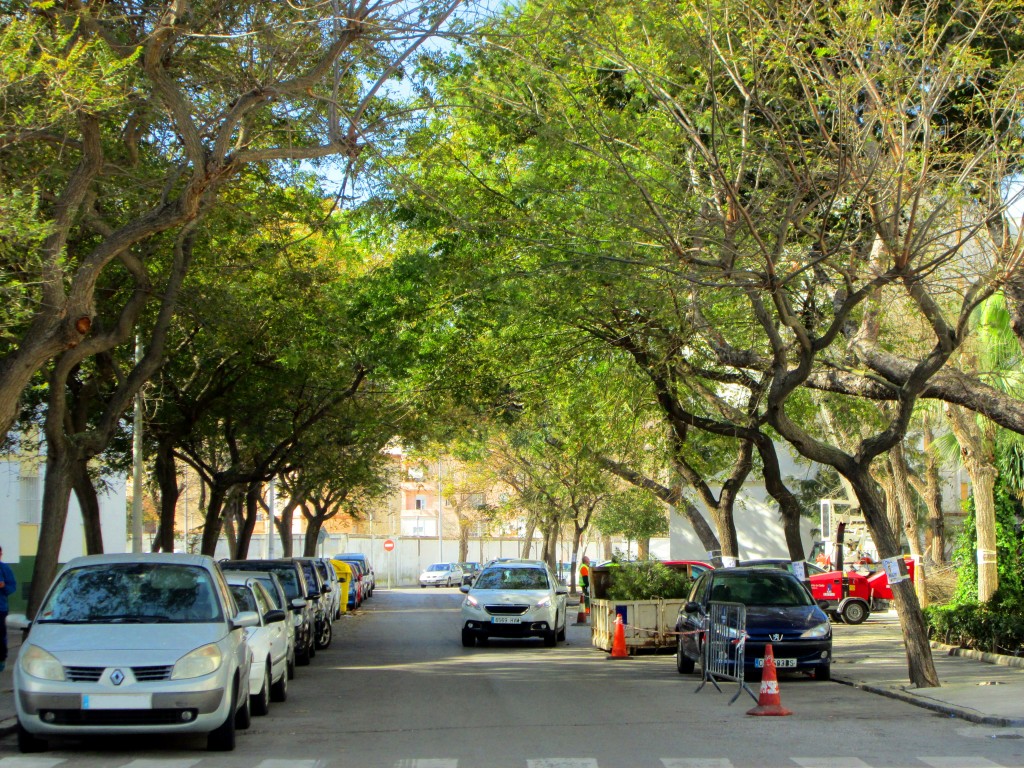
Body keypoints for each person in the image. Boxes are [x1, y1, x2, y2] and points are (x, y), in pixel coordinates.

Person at [0, 546, 16, 672]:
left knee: (0, 634)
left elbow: (12, 587)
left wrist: (3, 586)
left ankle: (1, 659)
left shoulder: (4, 568)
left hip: (0, 608)